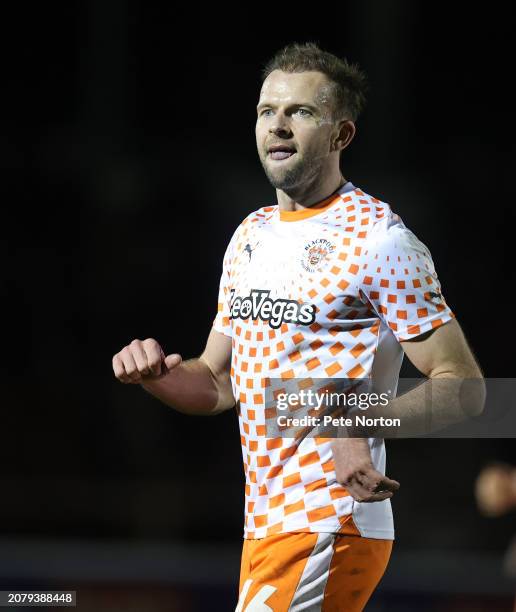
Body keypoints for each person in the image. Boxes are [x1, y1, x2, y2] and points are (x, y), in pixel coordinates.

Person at [112, 42, 484, 611]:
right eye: (268, 111)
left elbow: (465, 389)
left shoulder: (380, 240)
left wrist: (356, 418)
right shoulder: (250, 236)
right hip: (265, 526)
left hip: (329, 521)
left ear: (342, 136)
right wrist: (155, 376)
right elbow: (217, 382)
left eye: (301, 112)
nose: (278, 125)